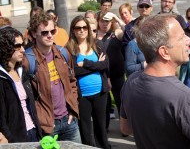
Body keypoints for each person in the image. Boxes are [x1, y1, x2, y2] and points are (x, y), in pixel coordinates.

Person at [120, 14, 190, 148]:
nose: (189, 41)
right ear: (164, 52)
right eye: (182, 37)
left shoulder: (131, 82)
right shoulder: (186, 98)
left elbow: (126, 129)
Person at [23, 12, 81, 143]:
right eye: (44, 33)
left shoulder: (63, 53)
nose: (50, 35)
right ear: (33, 34)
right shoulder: (27, 60)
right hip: (47, 125)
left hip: (69, 120)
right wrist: (40, 119)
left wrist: (73, 108)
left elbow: (72, 82)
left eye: (52, 31)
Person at [66, 16, 110, 148]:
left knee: (100, 127)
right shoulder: (69, 49)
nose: (81, 30)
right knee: (85, 129)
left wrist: (85, 63)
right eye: (78, 28)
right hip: (82, 96)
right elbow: (73, 72)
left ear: (88, 29)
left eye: (84, 27)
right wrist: (96, 64)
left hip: (100, 93)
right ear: (73, 30)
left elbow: (105, 65)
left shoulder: (97, 44)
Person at [0, 26, 42, 142]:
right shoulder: (2, 78)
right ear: (5, 48)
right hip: (15, 138)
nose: (23, 49)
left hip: (33, 132)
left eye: (23, 44)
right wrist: (9, 140)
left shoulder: (22, 71)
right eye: (18, 46)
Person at [97, 12, 125, 132]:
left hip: (117, 73)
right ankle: (105, 126)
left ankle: (124, 127)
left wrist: (117, 18)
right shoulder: (94, 35)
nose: (105, 24)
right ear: (98, 22)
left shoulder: (116, 33)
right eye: (102, 21)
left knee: (121, 100)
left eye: (107, 21)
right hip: (102, 74)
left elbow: (129, 31)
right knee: (105, 102)